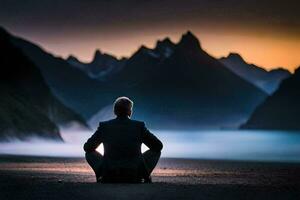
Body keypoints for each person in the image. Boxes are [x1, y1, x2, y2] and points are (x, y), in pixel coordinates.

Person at [84, 96, 163, 183]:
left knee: (89, 153)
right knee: (156, 152)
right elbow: (158, 146)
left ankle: (101, 176)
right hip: (134, 174)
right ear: (130, 112)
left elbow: (87, 147)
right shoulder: (139, 126)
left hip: (110, 173)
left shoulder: (104, 126)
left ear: (114, 111)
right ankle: (144, 176)